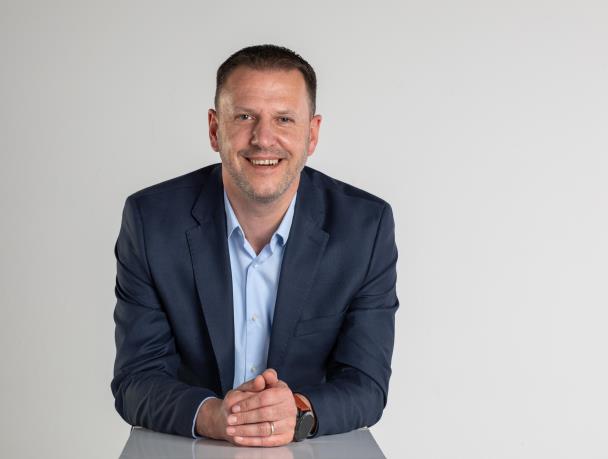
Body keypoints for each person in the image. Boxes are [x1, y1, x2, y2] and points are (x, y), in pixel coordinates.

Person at [111, 44, 399, 447]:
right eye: (244, 116)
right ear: (215, 129)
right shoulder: (151, 222)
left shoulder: (365, 228)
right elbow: (136, 379)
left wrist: (297, 411)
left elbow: (366, 384)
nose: (263, 139)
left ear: (312, 133)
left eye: (284, 119)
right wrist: (214, 416)